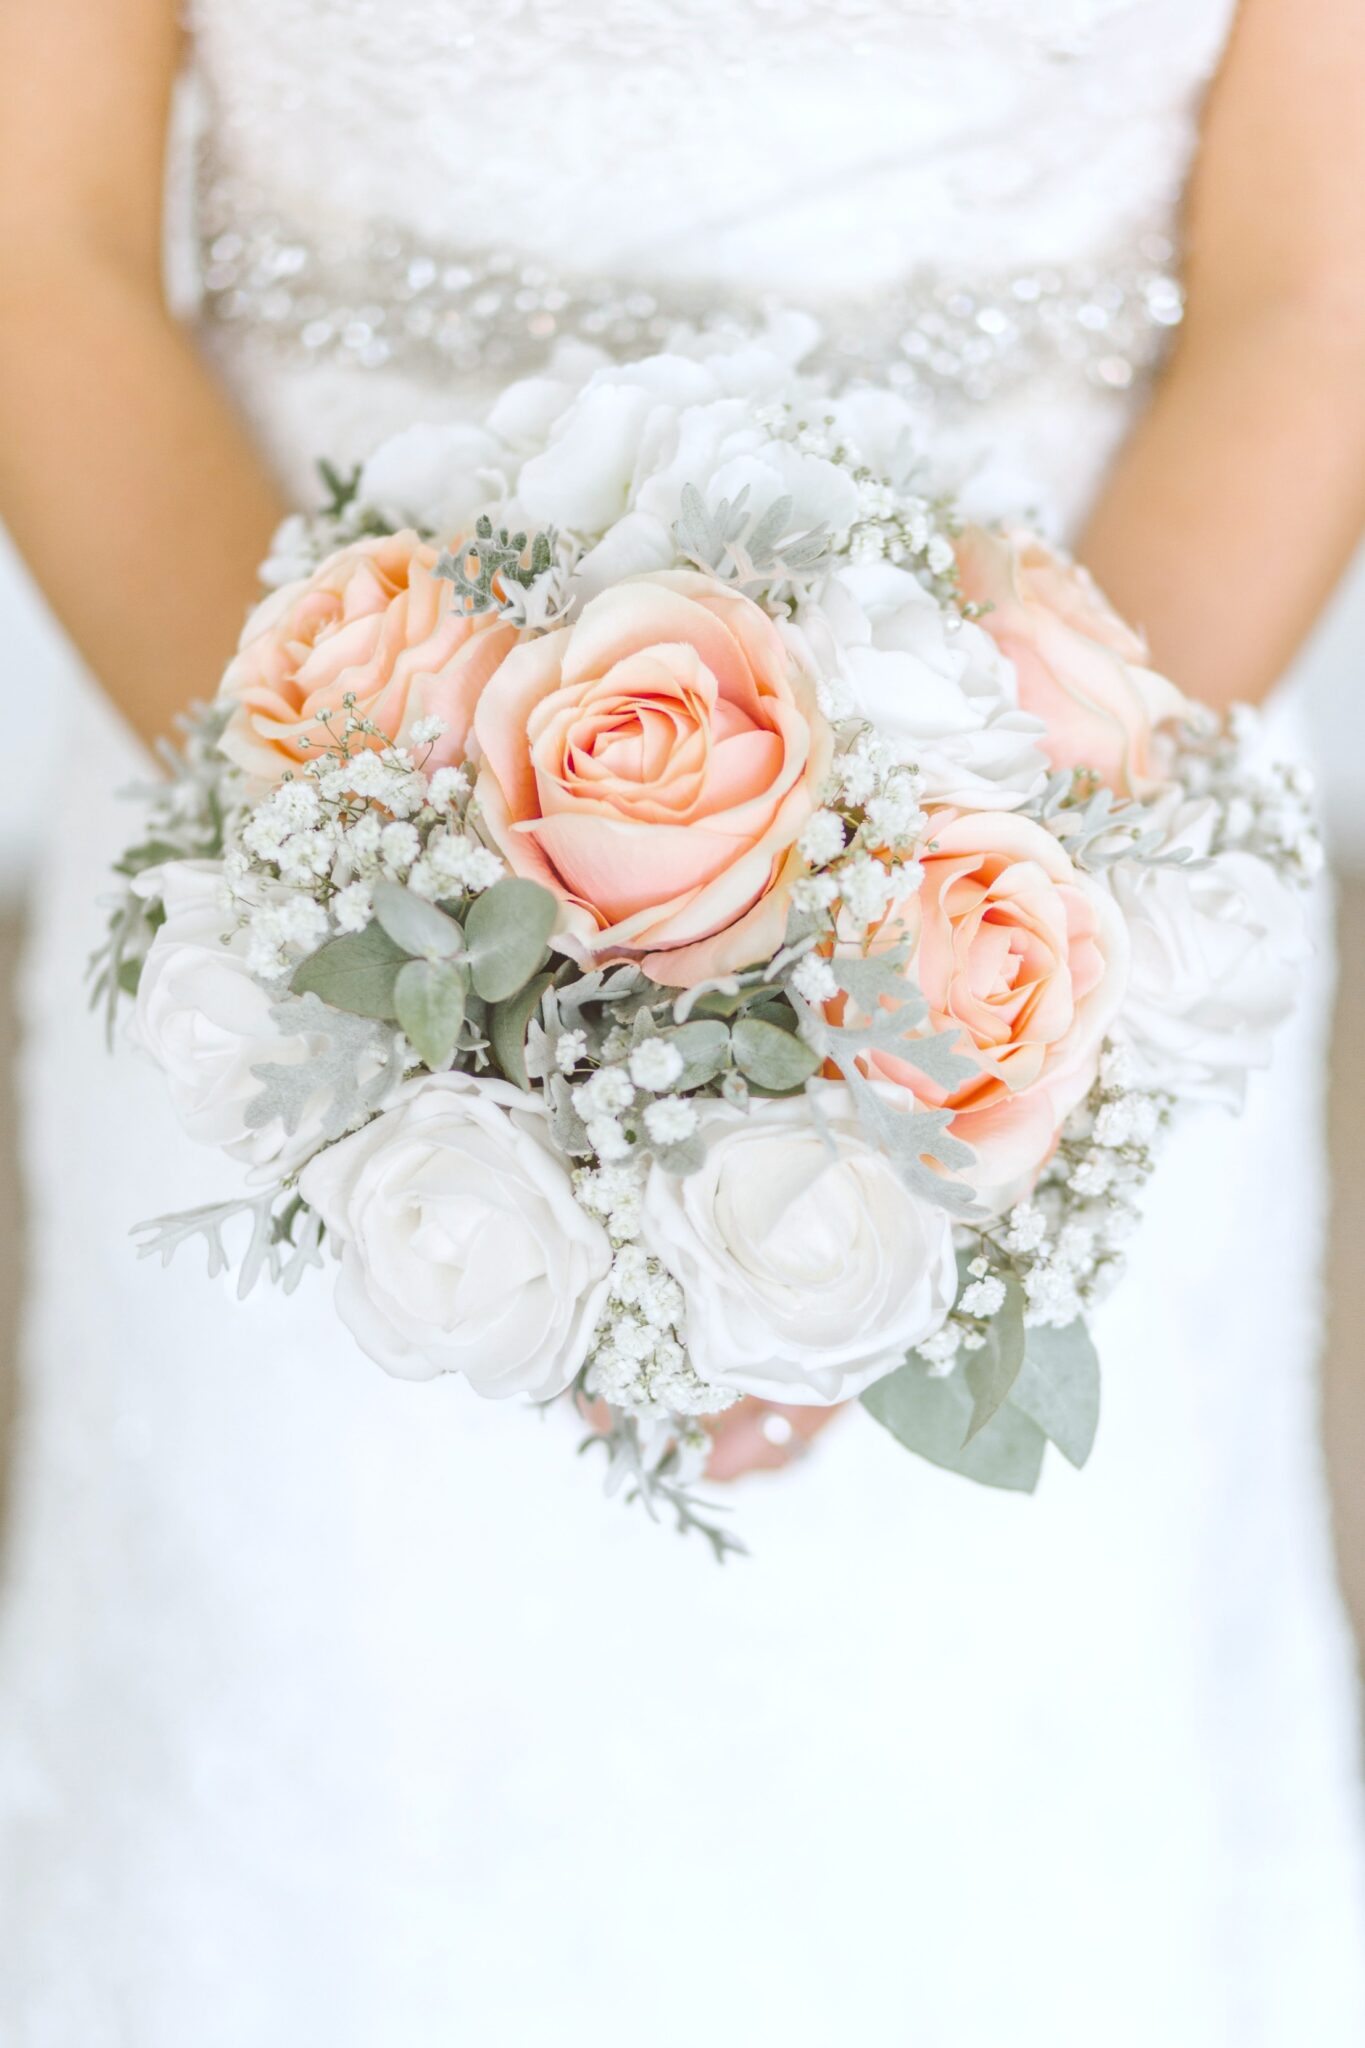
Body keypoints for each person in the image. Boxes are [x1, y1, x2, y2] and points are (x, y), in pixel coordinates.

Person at [1, 2, 1363, 2041]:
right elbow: (44, 249)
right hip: (264, 792)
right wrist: (399, 969)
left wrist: (979, 953)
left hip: (1058, 859)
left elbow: (1309, 297)